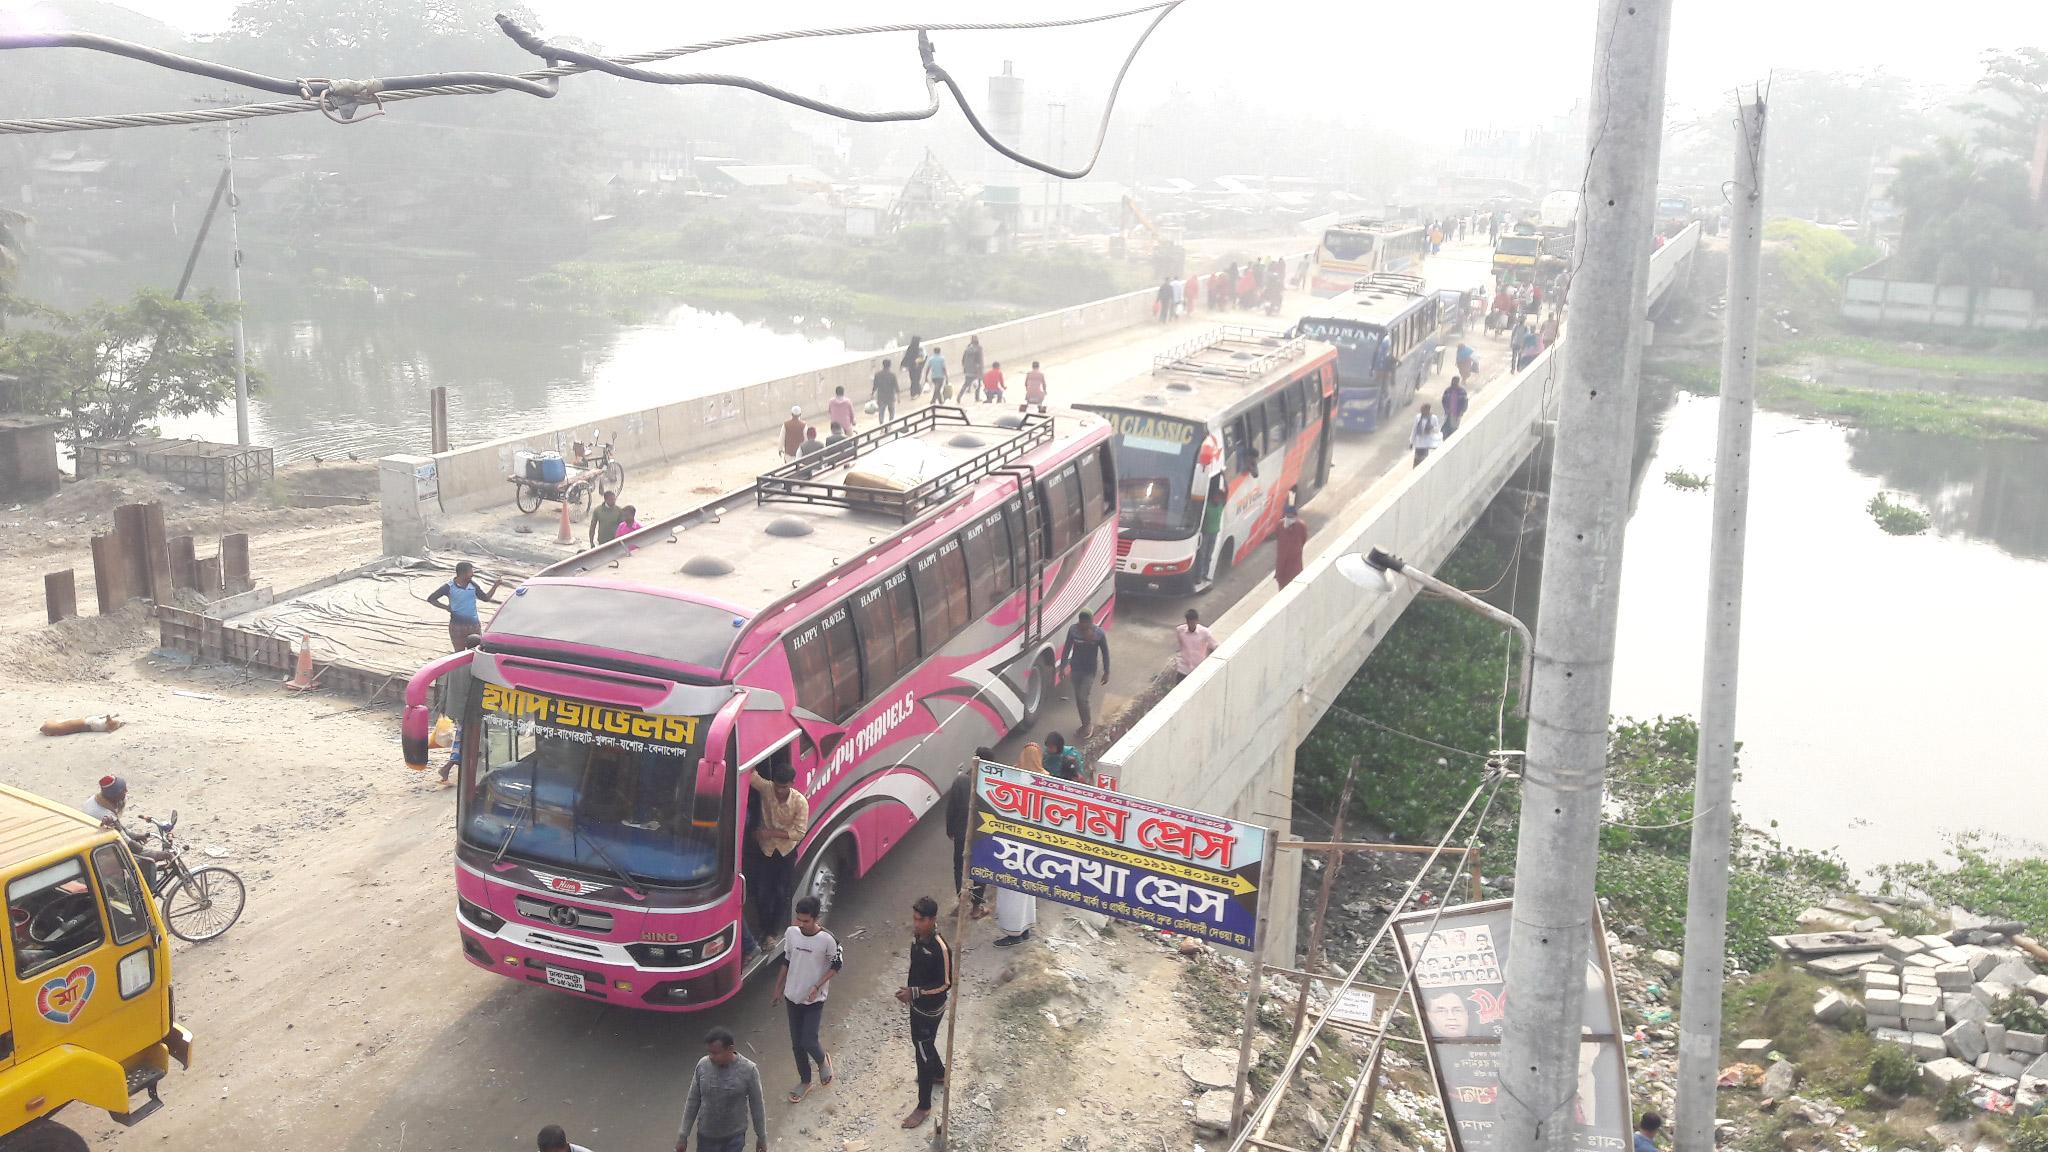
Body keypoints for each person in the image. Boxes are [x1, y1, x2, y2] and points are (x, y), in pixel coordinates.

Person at [775, 894, 842, 1103]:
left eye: (806, 921)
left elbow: (836, 966)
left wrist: (817, 985)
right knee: (797, 1044)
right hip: (792, 997)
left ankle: (823, 1061)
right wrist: (778, 988)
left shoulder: (828, 940)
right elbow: (787, 960)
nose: (801, 924)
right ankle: (805, 1081)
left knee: (808, 1040)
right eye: (799, 919)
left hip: (814, 1000)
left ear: (816, 919)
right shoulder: (792, 933)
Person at [897, 896, 954, 1129]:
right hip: (916, 1004)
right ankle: (940, 1074)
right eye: (915, 918)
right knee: (923, 1044)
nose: (916, 923)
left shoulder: (941, 948)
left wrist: (916, 992)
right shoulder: (917, 939)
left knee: (922, 1053)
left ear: (933, 920)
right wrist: (910, 991)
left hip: (930, 1009)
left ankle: (923, 1106)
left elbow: (946, 984)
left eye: (921, 920)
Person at [675, 1027, 767, 1152]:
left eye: (716, 1053)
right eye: (709, 1052)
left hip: (734, 1138)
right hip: (706, 1137)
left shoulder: (749, 1070)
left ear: (731, 1049)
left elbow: (757, 1106)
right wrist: (683, 1136)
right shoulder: (703, 1065)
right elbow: (693, 1101)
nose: (711, 1057)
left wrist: (761, 1137)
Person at [748, 760, 809, 946]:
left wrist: (769, 833)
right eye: (776, 786)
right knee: (761, 892)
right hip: (765, 850)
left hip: (785, 853)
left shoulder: (800, 803)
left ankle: (772, 932)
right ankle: (765, 928)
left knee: (781, 892)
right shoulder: (767, 789)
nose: (779, 791)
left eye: (783, 787)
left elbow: (799, 833)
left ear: (791, 784)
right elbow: (751, 775)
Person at [945, 750, 992, 909]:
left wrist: (950, 829)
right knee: (980, 868)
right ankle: (975, 907)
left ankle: (961, 900)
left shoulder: (961, 781)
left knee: (959, 867)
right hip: (982, 836)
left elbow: (951, 808)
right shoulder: (992, 784)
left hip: (961, 833)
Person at [428, 560, 503, 651]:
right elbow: (431, 599)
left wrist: (495, 586)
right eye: (470, 572)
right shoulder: (449, 587)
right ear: (463, 573)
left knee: (477, 650)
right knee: (459, 652)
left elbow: (486, 598)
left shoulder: (473, 585)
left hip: (474, 625)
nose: (472, 574)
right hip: (457, 625)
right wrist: (447, 608)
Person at [1058, 609, 1110, 736]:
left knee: (1083, 697)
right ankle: (1084, 723)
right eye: (1081, 622)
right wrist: (1063, 667)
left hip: (1089, 671)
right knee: (1079, 699)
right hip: (1075, 669)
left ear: (1091, 623)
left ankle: (1088, 724)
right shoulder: (1073, 630)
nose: (1083, 625)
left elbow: (1105, 653)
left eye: (1086, 623)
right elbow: (1066, 649)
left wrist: (1106, 671)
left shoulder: (1099, 634)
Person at [1174, 608, 1218, 681]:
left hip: (1198, 668)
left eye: (1193, 622)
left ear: (1197, 621)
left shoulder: (1205, 632)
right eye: (1189, 622)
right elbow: (1181, 644)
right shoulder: (1180, 630)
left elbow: (1215, 646)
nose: (1191, 625)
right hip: (1183, 668)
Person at [1273, 505, 1308, 590]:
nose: (1289, 519)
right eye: (1288, 516)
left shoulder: (1300, 526)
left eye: (1291, 516)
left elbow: (1303, 539)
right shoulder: (1280, 525)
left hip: (1294, 564)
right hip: (1282, 566)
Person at [871, 358, 899, 423]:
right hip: (890, 397)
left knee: (881, 413)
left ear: (883, 365)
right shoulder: (892, 375)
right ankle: (890, 425)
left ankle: (881, 427)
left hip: (881, 397)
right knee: (891, 412)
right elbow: (896, 386)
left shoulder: (877, 374)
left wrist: (872, 394)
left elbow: (875, 386)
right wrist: (898, 397)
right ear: (890, 365)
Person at [960, 337, 985, 404]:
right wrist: (980, 371)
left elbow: (963, 360)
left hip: (968, 370)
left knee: (966, 384)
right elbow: (978, 361)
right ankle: (977, 398)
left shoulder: (967, 350)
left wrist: (965, 368)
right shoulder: (978, 349)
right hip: (976, 371)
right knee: (978, 385)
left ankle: (959, 397)